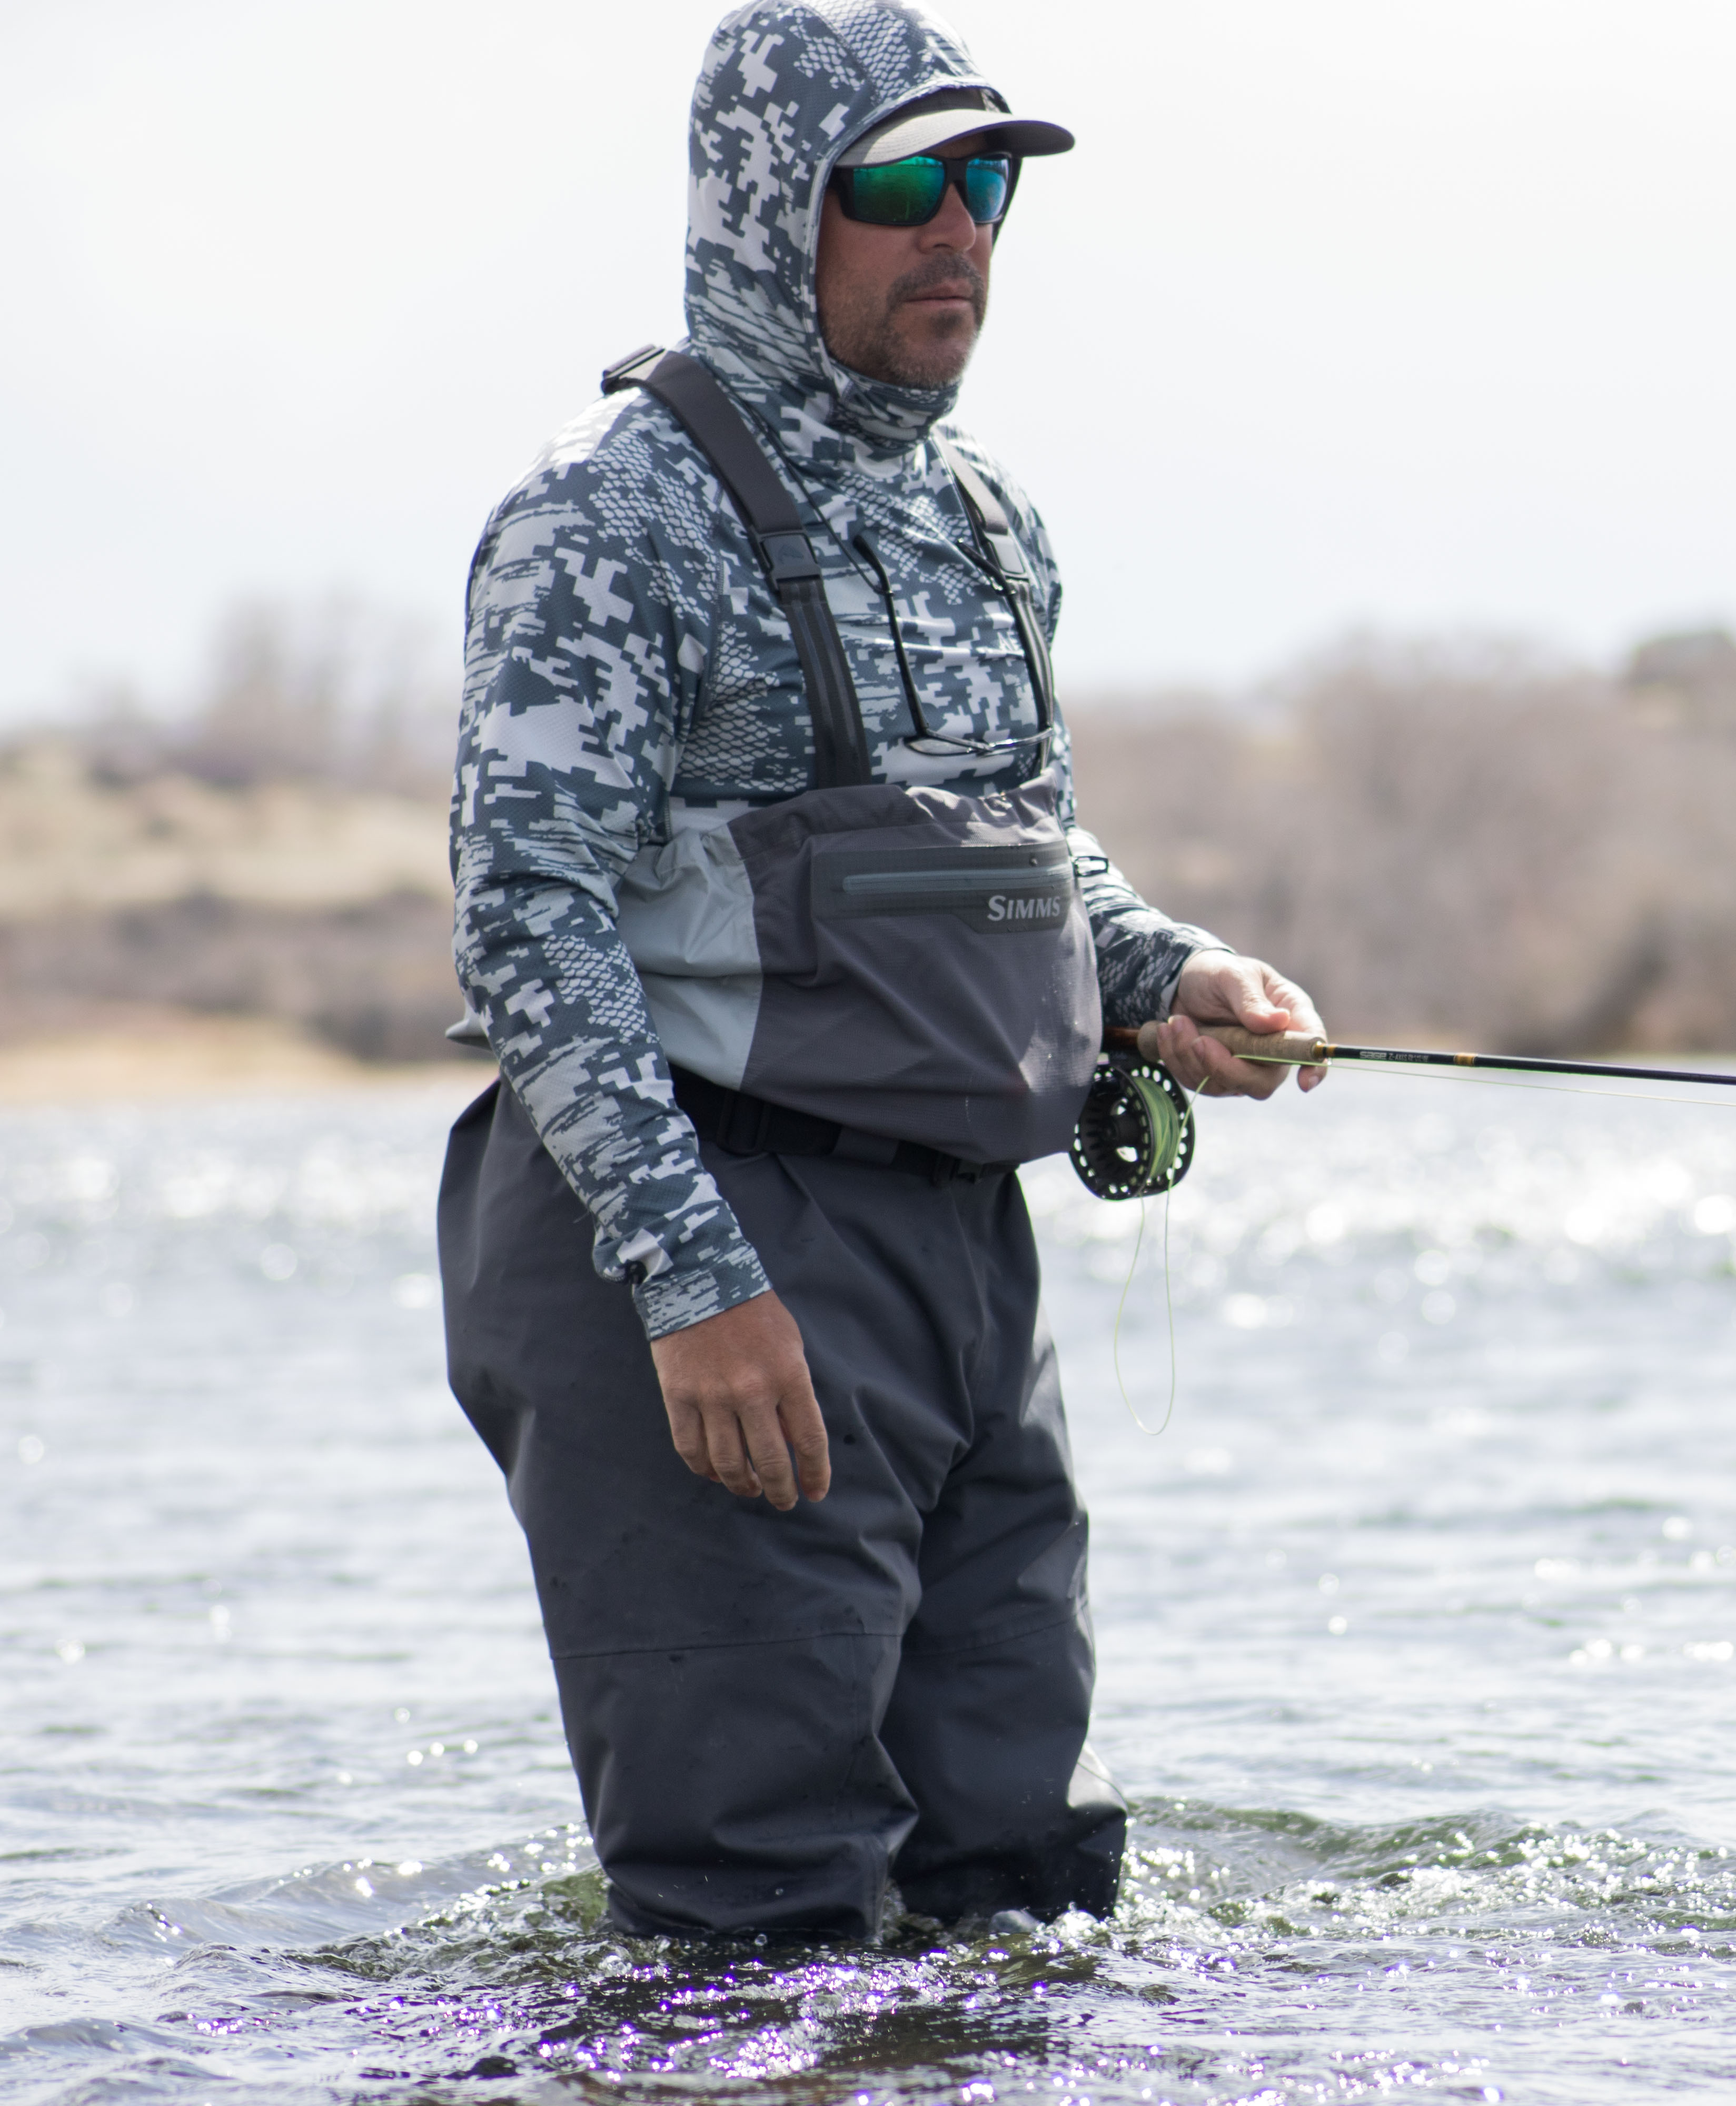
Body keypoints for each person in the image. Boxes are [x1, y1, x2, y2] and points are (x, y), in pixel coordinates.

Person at [437, 0, 1320, 1941]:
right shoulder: (605, 513)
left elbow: (1034, 855)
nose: (963, 232)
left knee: (1029, 1891)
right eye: (903, 183)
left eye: (988, 181)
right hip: (691, 1237)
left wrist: (1170, 977)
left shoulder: (988, 519)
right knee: (762, 1917)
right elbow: (529, 921)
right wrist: (696, 1287)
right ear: (771, 209)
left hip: (956, 1260)